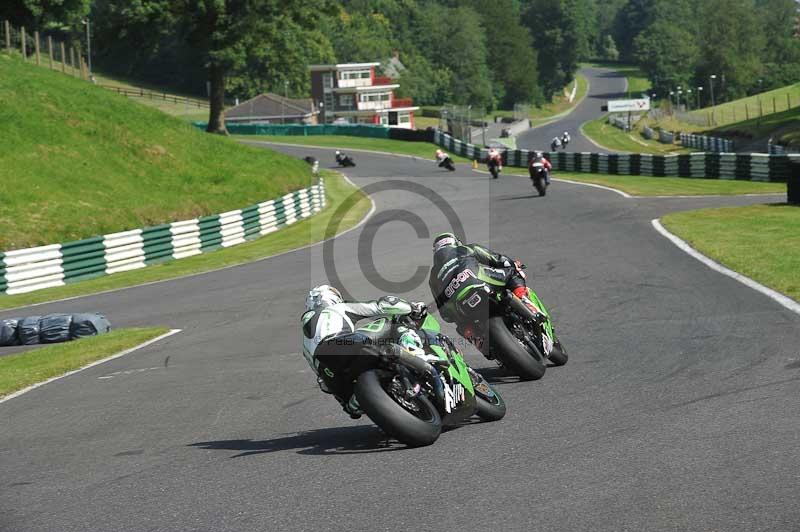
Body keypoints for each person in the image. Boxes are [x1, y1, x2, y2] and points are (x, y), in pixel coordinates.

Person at [301, 285, 428, 418]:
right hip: (344, 344)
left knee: (350, 407)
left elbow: (323, 382)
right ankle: (415, 353)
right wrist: (412, 307)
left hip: (330, 375)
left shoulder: (304, 343)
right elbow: (383, 305)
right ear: (331, 298)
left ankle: (354, 403)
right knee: (393, 323)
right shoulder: (336, 308)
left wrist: (340, 397)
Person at [428, 233, 545, 325]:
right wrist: (512, 264)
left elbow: (444, 313)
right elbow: (497, 259)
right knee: (513, 272)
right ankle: (524, 300)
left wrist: (456, 319)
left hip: (458, 303)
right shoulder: (465, 249)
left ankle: (476, 338)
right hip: (478, 280)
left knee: (461, 325)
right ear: (456, 242)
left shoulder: (433, 276)